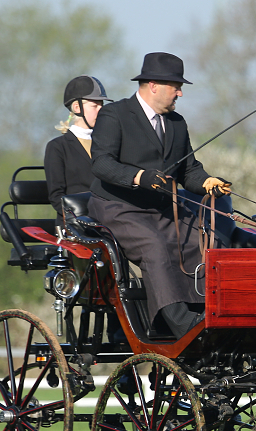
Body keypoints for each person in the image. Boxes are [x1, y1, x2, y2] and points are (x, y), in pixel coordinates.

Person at [88, 52, 231, 338]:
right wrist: (139, 177)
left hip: (164, 208)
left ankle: (205, 310)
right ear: (153, 85)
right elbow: (101, 162)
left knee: (204, 240)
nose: (180, 93)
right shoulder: (114, 115)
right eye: (175, 86)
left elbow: (188, 170)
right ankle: (179, 323)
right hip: (119, 206)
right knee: (153, 245)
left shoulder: (177, 123)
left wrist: (208, 182)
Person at [44, 75, 112, 221]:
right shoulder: (57, 147)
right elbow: (57, 197)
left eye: (102, 105)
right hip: (76, 224)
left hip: (110, 219)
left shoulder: (108, 143)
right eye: (95, 106)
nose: (101, 110)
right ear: (77, 108)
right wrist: (82, 219)